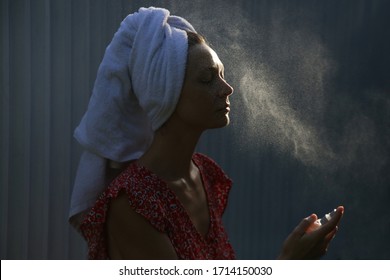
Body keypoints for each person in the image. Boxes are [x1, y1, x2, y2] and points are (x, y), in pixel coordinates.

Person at [69, 7, 344, 260]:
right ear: (166, 95)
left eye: (222, 74)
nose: (227, 89)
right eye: (207, 78)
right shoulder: (131, 204)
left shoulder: (204, 174)